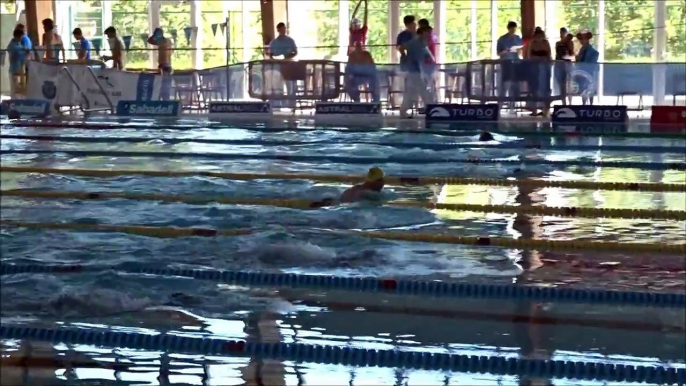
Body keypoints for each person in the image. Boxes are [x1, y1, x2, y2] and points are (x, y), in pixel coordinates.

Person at [399, 25, 435, 118]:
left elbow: (427, 55)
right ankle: (431, 110)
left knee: (411, 92)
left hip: (418, 70)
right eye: (427, 32)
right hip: (414, 71)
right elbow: (401, 47)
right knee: (423, 91)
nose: (429, 34)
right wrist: (405, 57)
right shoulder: (415, 42)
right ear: (422, 32)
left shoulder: (423, 43)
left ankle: (403, 112)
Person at [309, 167, 386, 208]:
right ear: (373, 181)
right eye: (380, 180)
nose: (383, 183)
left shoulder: (356, 188)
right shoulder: (367, 193)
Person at [525, 27, 552, 116]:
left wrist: (547, 62)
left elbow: (549, 55)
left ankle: (545, 108)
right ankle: (534, 108)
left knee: (544, 87)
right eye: (538, 36)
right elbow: (529, 56)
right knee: (534, 87)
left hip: (544, 67)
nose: (539, 38)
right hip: (534, 67)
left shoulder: (546, 43)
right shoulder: (532, 43)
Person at [496, 21, 523, 105]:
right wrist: (505, 51)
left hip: (516, 63)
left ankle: (514, 103)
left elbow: (521, 52)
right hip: (506, 63)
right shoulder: (502, 39)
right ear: (508, 29)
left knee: (515, 83)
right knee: (505, 83)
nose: (513, 31)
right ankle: (501, 103)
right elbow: (498, 53)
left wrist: (519, 51)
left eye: (514, 30)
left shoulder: (518, 38)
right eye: (511, 29)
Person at [148, 28, 174, 99]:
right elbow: (149, 40)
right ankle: (163, 99)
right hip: (162, 64)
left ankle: (166, 100)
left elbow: (154, 41)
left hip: (166, 64)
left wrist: (156, 36)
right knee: (161, 85)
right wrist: (154, 35)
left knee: (165, 85)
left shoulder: (166, 41)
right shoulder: (161, 41)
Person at [575, 29, 599, 105]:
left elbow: (595, 56)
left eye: (583, 39)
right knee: (583, 88)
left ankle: (591, 104)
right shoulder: (581, 50)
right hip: (582, 71)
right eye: (581, 39)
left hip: (590, 71)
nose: (581, 41)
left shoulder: (592, 50)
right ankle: (584, 104)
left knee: (590, 87)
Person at [418, 18, 439, 102]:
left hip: (429, 63)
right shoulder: (430, 37)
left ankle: (432, 102)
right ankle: (428, 102)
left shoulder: (429, 38)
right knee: (426, 84)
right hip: (425, 63)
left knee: (428, 84)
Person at [554, 27, 575, 104]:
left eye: (563, 33)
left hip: (567, 64)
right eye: (561, 32)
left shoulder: (570, 43)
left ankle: (570, 103)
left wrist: (568, 56)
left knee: (569, 83)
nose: (562, 34)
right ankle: (564, 102)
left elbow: (572, 54)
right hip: (559, 64)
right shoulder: (558, 43)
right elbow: (559, 53)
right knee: (561, 84)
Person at [6, 29, 28, 97]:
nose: (21, 38)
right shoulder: (12, 45)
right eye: (21, 36)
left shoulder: (19, 44)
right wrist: (23, 51)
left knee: (21, 91)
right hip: (14, 70)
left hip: (21, 71)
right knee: (15, 92)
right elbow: (14, 53)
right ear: (18, 36)